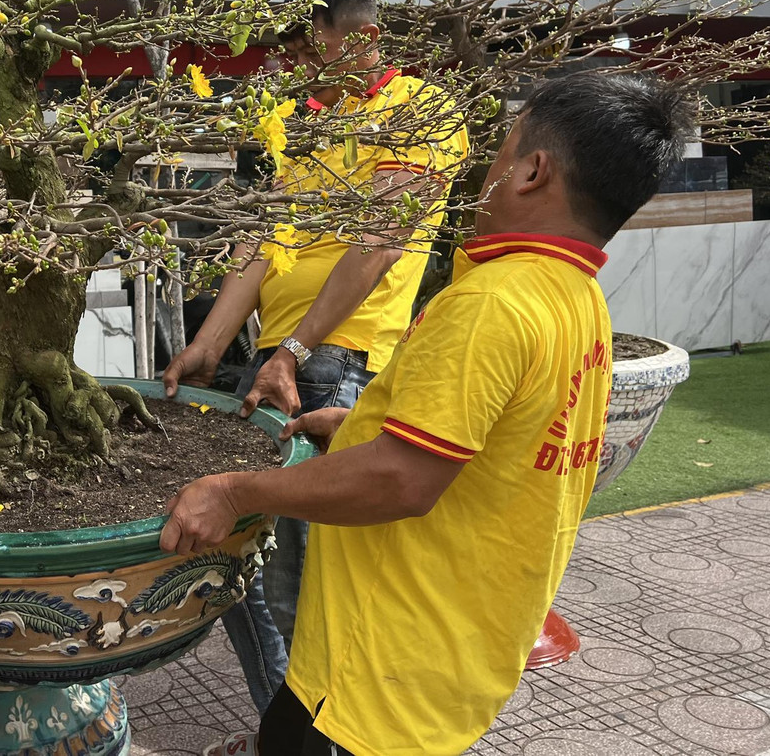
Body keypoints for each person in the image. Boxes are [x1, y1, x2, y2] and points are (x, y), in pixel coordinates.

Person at [166, 71, 694, 756]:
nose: (483, 175)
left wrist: (233, 489)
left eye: (500, 155)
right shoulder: (576, 298)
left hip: (383, 665)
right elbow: (496, 442)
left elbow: (401, 481)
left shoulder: (491, 303)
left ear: (532, 171)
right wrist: (357, 430)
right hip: (446, 647)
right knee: (284, 732)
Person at [161, 0, 468, 714]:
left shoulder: (418, 112)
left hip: (334, 370)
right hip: (282, 363)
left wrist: (293, 350)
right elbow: (266, 242)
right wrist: (212, 341)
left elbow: (379, 243)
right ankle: (292, 727)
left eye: (302, 42)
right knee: (236, 568)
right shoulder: (304, 125)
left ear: (349, 33)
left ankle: (316, 732)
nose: (290, 59)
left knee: (300, 587)